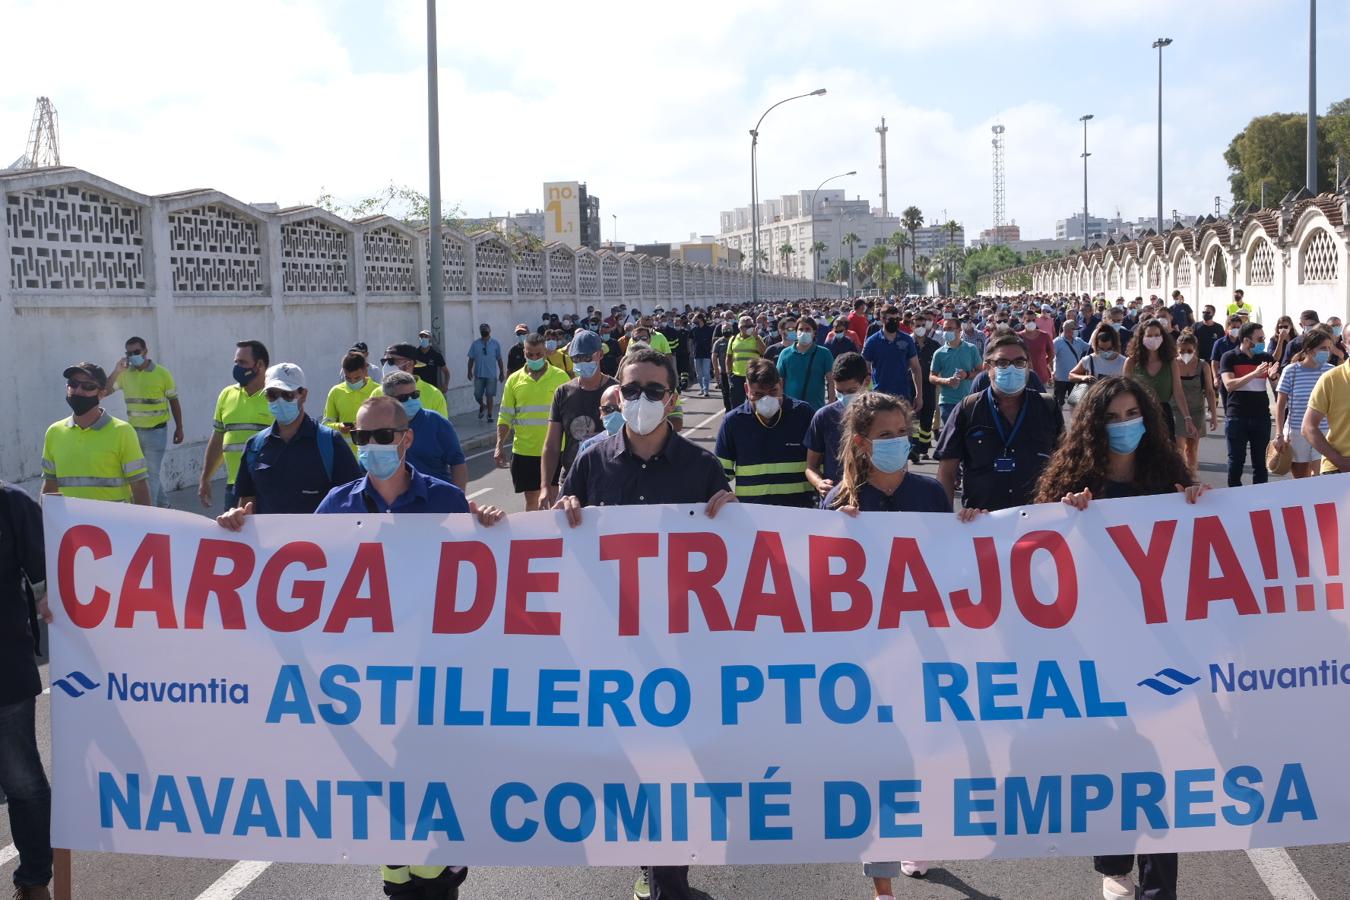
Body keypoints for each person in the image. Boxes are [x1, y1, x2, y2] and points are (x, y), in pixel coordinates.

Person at [551, 348, 736, 900]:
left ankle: (670, 877)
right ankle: (653, 865)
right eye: (631, 391)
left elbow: (733, 556)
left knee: (675, 766)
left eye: (653, 391)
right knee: (630, 765)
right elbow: (563, 536)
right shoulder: (590, 461)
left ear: (672, 398)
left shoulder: (701, 467)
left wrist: (733, 514)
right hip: (612, 646)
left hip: (681, 648)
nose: (641, 401)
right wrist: (561, 513)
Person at [315, 395, 502, 900]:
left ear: (405, 439)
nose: (371, 447)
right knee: (387, 799)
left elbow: (485, 581)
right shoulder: (335, 508)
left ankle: (438, 874)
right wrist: (240, 536)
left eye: (381, 437)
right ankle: (396, 870)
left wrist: (490, 530)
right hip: (368, 687)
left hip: (434, 682)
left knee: (435, 794)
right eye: (361, 438)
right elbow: (296, 577)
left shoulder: (446, 501)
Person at [1032, 375, 1204, 900]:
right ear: (1092, 424)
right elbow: (1035, 552)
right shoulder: (1072, 480)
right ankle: (1113, 861)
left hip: (1163, 644)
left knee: (1163, 764)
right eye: (1112, 417)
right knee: (1114, 756)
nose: (1125, 426)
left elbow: (1201, 546)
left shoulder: (1167, 474)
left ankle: (1159, 889)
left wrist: (1200, 502)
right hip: (1096, 648)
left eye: (1134, 415)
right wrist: (1066, 513)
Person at [217, 364, 362, 526]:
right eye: (272, 395)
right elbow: (246, 502)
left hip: (319, 546)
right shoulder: (254, 445)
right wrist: (237, 516)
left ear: (303, 395)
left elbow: (355, 500)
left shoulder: (330, 442)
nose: (279, 401)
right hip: (270, 549)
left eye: (287, 394)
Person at [934, 334, 1064, 511]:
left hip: (1037, 521)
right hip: (982, 523)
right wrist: (945, 521)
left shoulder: (1047, 407)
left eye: (1019, 362)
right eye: (1002, 363)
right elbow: (946, 473)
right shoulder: (968, 409)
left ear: (1029, 367)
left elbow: (1065, 464)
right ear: (987, 368)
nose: (1011, 368)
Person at [0, 479, 52, 900]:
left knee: (23, 783)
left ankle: (34, 880)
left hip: (6, 671)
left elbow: (48, 576)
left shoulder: (12, 504)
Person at [42, 363, 151, 505]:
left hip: (113, 524)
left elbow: (139, 486)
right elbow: (50, 485)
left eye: (88, 386)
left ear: (102, 394)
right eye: (73, 384)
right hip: (71, 525)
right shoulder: (54, 432)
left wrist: (143, 525)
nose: (78, 391)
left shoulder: (123, 431)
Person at [715, 358, 816, 507]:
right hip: (754, 519)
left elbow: (821, 466)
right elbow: (720, 476)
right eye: (759, 394)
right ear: (746, 390)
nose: (767, 400)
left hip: (799, 515)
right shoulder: (733, 422)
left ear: (781, 385)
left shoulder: (803, 414)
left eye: (773, 392)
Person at [541, 330, 617, 504]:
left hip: (610, 478)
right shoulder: (563, 393)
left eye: (586, 358)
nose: (581, 363)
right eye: (576, 359)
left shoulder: (615, 391)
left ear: (599, 355)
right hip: (571, 481)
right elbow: (552, 445)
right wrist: (545, 486)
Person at [106, 336, 183, 507]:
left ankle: (151, 516)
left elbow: (174, 400)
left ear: (145, 351)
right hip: (134, 433)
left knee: (150, 476)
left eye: (136, 352)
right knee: (148, 473)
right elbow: (104, 391)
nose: (133, 355)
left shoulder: (162, 373)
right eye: (129, 353)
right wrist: (116, 370)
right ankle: (164, 506)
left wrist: (179, 428)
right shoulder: (125, 374)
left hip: (156, 432)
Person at [496, 333, 570, 511]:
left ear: (545, 351)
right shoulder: (514, 380)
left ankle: (555, 537)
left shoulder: (561, 377)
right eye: (530, 355)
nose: (534, 358)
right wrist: (499, 445)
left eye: (538, 354)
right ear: (524, 352)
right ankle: (534, 537)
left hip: (555, 450)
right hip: (525, 451)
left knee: (554, 500)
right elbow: (505, 415)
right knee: (532, 502)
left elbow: (570, 414)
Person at [200, 340, 273, 511]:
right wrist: (205, 478)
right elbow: (218, 439)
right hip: (234, 487)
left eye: (242, 363)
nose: (237, 367)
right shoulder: (227, 395)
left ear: (260, 364)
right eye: (236, 363)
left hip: (266, 487)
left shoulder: (275, 397)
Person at [380, 371, 468, 489]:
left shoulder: (436, 422)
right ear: (388, 399)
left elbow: (458, 463)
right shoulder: (380, 426)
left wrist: (458, 500)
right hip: (397, 502)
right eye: (404, 398)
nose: (411, 400)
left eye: (414, 395)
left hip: (436, 499)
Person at [1219, 321, 1276, 486]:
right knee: (1236, 462)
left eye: (1263, 338)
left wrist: (1272, 377)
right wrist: (1255, 373)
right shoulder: (1229, 357)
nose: (1262, 342)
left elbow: (1275, 388)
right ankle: (1235, 497)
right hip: (1237, 417)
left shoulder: (1266, 358)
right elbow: (1229, 385)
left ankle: (1259, 501)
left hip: (1261, 417)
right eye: (1259, 339)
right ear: (1246, 340)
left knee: (1260, 463)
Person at [805, 352, 869, 497]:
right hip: (837, 499)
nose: (845, 397)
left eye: (851, 391)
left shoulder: (884, 415)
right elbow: (811, 467)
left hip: (874, 503)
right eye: (840, 392)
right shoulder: (823, 417)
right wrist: (819, 483)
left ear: (866, 381)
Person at [1275, 327, 1335, 478]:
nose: (1326, 352)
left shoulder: (1332, 371)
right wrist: (1279, 435)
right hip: (1297, 433)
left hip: (1324, 433)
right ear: (1309, 349)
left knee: (1321, 477)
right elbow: (1281, 406)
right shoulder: (1291, 371)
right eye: (1322, 348)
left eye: (1328, 348)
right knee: (1301, 480)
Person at [1124, 320, 1194, 444]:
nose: (1154, 339)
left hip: (1163, 414)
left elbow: (1178, 392)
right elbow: (1125, 392)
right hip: (1138, 414)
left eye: (1157, 335)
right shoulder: (1131, 362)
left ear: (1163, 337)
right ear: (1141, 338)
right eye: (1149, 336)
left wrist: (1187, 418)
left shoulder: (1171, 363)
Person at [862, 305, 923, 410]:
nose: (894, 322)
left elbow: (916, 368)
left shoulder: (906, 339)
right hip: (880, 395)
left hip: (903, 394)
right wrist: (863, 393)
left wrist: (919, 395)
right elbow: (864, 369)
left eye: (897, 319)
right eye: (891, 319)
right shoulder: (872, 342)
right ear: (882, 319)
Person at [1175, 331, 1218, 473]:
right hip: (1177, 411)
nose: (1185, 354)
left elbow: (1210, 391)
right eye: (1182, 351)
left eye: (1189, 351)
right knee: (1178, 449)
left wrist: (1214, 415)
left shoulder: (1203, 366)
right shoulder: (1173, 364)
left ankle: (1192, 477)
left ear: (1195, 349)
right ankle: (1179, 477)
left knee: (1191, 449)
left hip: (1197, 411)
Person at [323, 351, 379, 455]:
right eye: (348, 378)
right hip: (345, 456)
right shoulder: (335, 391)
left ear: (365, 371)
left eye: (357, 378)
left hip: (372, 455)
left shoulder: (378, 391)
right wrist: (339, 426)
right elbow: (325, 424)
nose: (352, 382)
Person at [776, 315, 835, 410]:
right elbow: (779, 381)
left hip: (815, 408)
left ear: (814, 332)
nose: (804, 332)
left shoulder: (824, 353)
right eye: (801, 329)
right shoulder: (785, 354)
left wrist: (831, 405)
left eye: (808, 329)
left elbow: (831, 381)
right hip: (790, 409)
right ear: (796, 332)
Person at [374, 343, 449, 419]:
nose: (386, 366)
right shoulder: (377, 393)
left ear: (409, 364)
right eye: (384, 361)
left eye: (391, 361)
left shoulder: (434, 395)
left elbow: (442, 428)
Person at [930, 317, 981, 425]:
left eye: (950, 329)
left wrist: (966, 375)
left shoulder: (971, 349)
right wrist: (946, 381)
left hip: (968, 400)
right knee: (951, 437)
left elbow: (980, 371)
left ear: (959, 330)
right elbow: (932, 377)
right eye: (945, 329)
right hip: (947, 402)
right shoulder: (939, 353)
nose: (947, 332)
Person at [572, 383, 625, 458]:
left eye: (620, 409)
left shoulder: (641, 446)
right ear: (601, 413)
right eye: (608, 409)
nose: (615, 414)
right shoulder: (589, 447)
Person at [466, 322, 506, 422]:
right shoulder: (475, 344)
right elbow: (471, 359)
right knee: (477, 395)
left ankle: (489, 414)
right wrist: (469, 371)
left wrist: (501, 372)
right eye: (482, 330)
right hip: (479, 374)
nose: (484, 332)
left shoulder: (495, 344)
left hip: (491, 375)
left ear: (489, 331)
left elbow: (499, 359)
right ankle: (482, 405)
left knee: (489, 395)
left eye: (486, 330)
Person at [725, 315, 766, 409]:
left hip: (753, 376)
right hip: (737, 376)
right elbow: (729, 357)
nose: (750, 328)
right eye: (747, 326)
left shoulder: (757, 337)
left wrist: (757, 338)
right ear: (740, 327)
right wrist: (729, 373)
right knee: (736, 403)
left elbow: (764, 351)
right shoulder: (733, 339)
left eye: (751, 325)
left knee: (755, 402)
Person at [1051, 319, 1090, 408]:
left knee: (1076, 403)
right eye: (1075, 329)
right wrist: (1051, 371)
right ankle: (1057, 421)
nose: (1077, 331)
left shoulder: (1079, 341)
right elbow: (1051, 357)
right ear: (1068, 330)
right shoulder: (1057, 342)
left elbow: (1090, 348)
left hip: (1074, 378)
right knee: (1057, 403)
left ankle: (1075, 421)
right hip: (1061, 378)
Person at [1018, 308, 1055, 387]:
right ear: (1023, 321)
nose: (1031, 323)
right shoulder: (1018, 337)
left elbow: (1051, 353)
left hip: (1041, 376)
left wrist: (1043, 363)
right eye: (1028, 320)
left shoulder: (1044, 336)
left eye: (1033, 320)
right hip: (1022, 377)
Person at [413, 328, 449, 393]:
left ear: (430, 339)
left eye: (426, 336)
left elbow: (446, 372)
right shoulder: (414, 353)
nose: (423, 338)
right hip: (416, 389)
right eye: (421, 336)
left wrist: (445, 385)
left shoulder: (436, 355)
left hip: (431, 389)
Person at [690, 313, 715, 397]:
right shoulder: (694, 330)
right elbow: (690, 341)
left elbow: (712, 340)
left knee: (706, 373)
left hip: (706, 353)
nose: (694, 320)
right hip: (697, 354)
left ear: (700, 319)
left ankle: (706, 390)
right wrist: (691, 350)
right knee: (699, 374)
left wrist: (712, 350)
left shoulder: (709, 329)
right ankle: (701, 388)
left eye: (696, 318)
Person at [712, 323, 734, 411]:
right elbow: (714, 357)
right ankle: (728, 411)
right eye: (725, 329)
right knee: (725, 393)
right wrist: (716, 371)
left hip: (735, 373)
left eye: (728, 329)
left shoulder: (736, 340)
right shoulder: (718, 343)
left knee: (736, 394)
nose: (726, 331)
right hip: (724, 373)